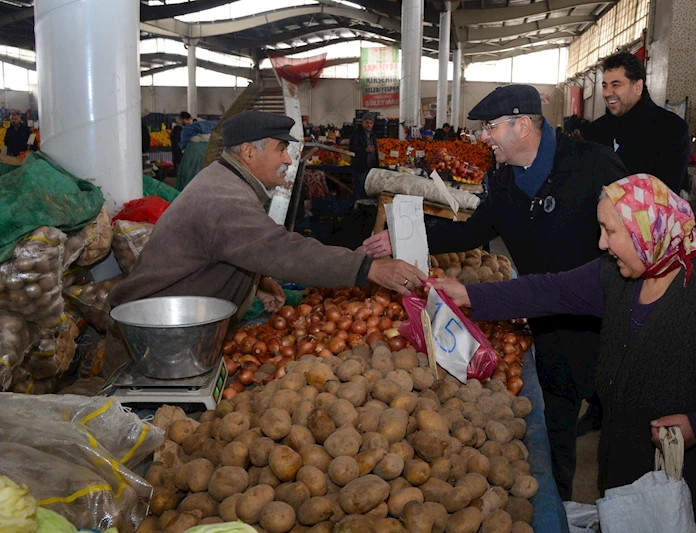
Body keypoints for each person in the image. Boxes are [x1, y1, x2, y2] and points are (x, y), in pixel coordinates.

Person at [434, 174, 696, 533]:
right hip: (636, 457)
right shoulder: (619, 274)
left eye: (610, 231)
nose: (602, 243)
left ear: (645, 230)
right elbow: (549, 290)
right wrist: (470, 295)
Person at [363, 84, 628, 500]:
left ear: (522, 125)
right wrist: (406, 238)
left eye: (490, 127)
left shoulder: (592, 164)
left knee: (621, 428)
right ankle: (562, 504)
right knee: (558, 420)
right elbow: (472, 230)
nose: (483, 137)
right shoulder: (504, 182)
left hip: (608, 318)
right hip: (549, 318)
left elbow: (636, 231)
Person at [110, 110, 426, 315]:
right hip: (154, 333)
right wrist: (369, 269)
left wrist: (257, 279)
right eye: (281, 148)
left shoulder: (225, 180)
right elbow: (282, 250)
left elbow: (238, 246)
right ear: (248, 152)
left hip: (169, 316)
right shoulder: (226, 200)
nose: (289, 159)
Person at [585, 52, 689, 193]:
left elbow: (665, 195)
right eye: (604, 86)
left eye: (616, 85)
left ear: (637, 87)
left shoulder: (670, 129)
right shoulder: (596, 130)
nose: (608, 93)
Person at [349, 112, 379, 202]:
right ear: (362, 123)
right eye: (366, 122)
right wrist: (365, 149)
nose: (369, 125)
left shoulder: (373, 135)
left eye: (371, 123)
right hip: (360, 166)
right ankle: (356, 208)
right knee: (359, 189)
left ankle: (365, 208)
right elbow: (352, 148)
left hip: (371, 166)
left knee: (368, 189)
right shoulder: (356, 134)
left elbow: (376, 150)